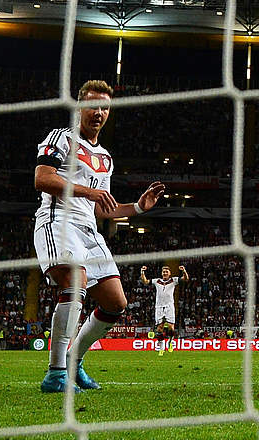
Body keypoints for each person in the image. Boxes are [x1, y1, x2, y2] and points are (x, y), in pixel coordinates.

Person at [34, 80, 165, 393]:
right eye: (93, 105)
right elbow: (42, 179)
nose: (99, 112)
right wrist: (88, 191)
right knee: (76, 283)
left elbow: (103, 209)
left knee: (115, 302)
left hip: (89, 230)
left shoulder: (105, 157)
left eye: (105, 107)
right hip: (58, 220)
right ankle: (55, 375)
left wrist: (137, 207)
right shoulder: (61, 138)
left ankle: (74, 361)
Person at [141, 264, 189, 352]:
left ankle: (170, 341)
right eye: (164, 272)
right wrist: (142, 272)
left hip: (169, 306)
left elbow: (185, 279)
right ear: (161, 273)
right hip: (159, 306)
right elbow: (145, 281)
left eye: (167, 272)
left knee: (171, 327)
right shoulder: (157, 281)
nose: (165, 273)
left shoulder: (173, 280)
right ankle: (161, 345)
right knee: (159, 328)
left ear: (170, 273)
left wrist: (184, 271)